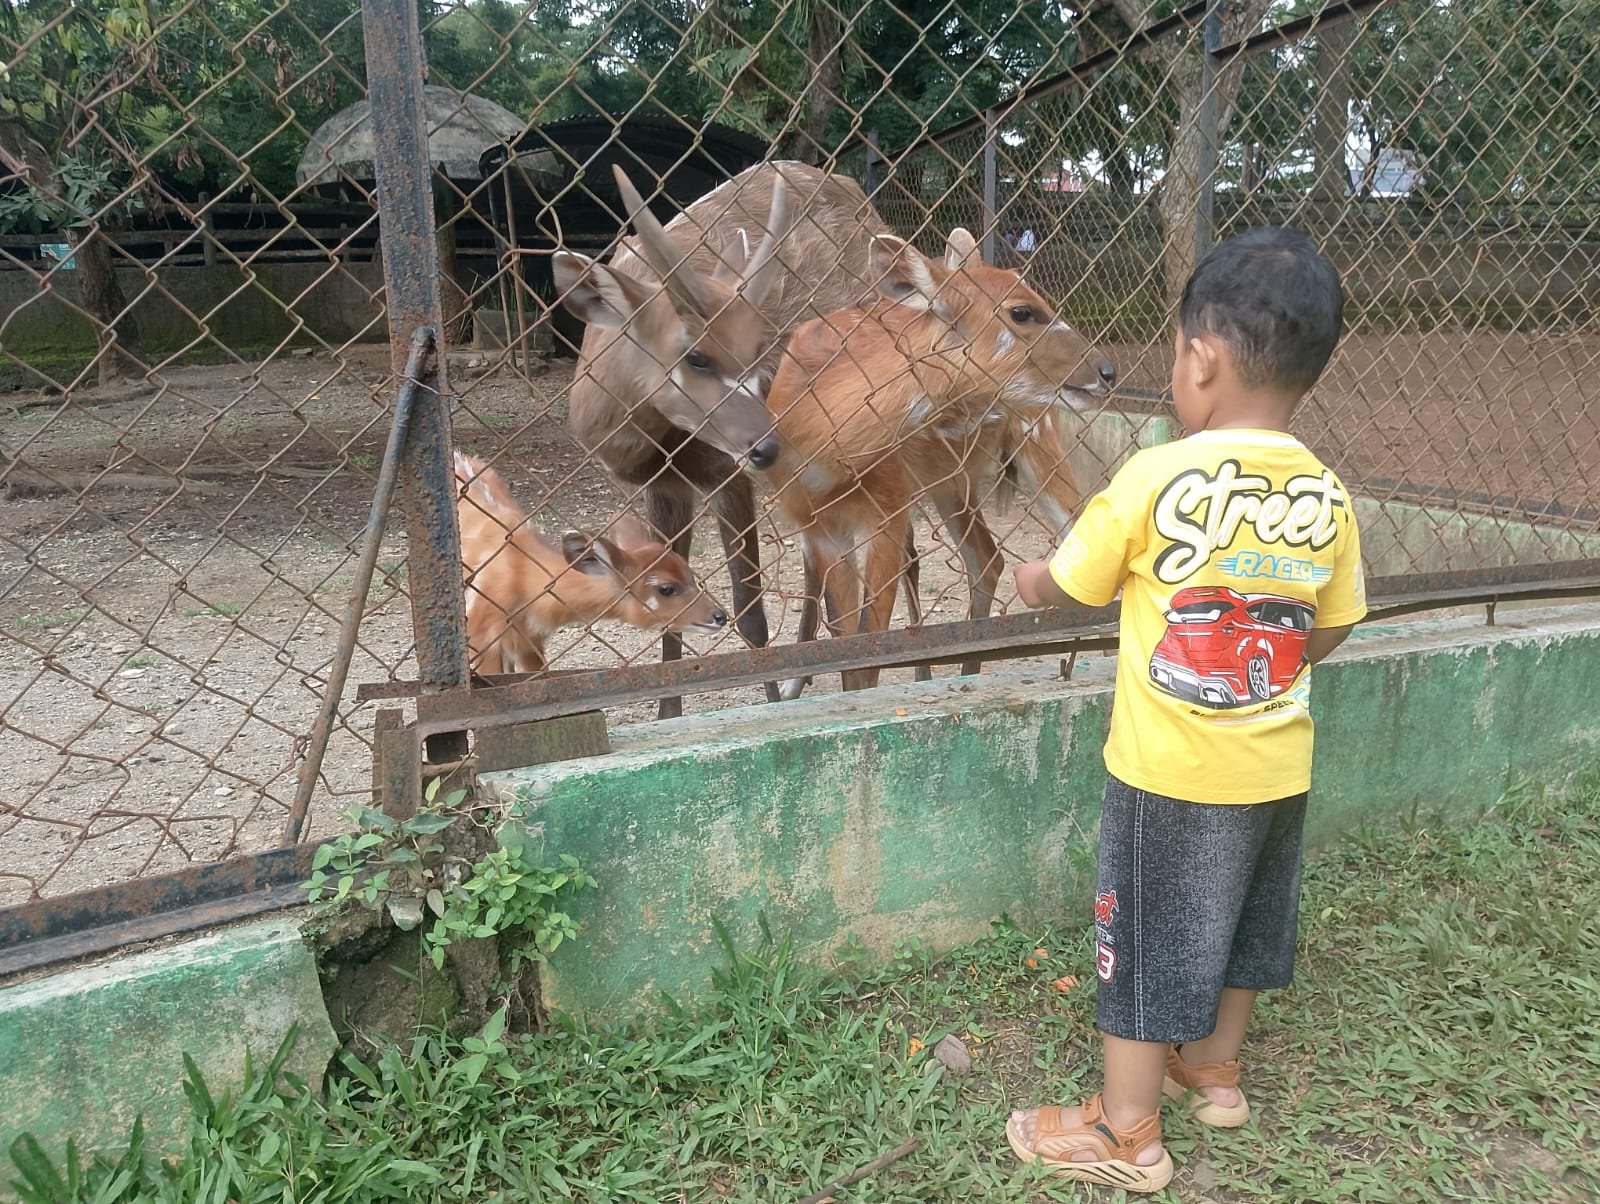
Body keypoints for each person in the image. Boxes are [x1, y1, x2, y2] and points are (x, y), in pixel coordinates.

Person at [1006, 226, 1367, 1193]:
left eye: (1175, 354)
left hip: (1166, 776)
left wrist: (1030, 577)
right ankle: (1214, 1073)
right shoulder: (1327, 495)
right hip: (1277, 768)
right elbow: (1324, 627)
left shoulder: (1157, 474)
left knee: (1140, 940)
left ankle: (1129, 1131)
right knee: (1246, 924)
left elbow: (1077, 582)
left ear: (1200, 362)